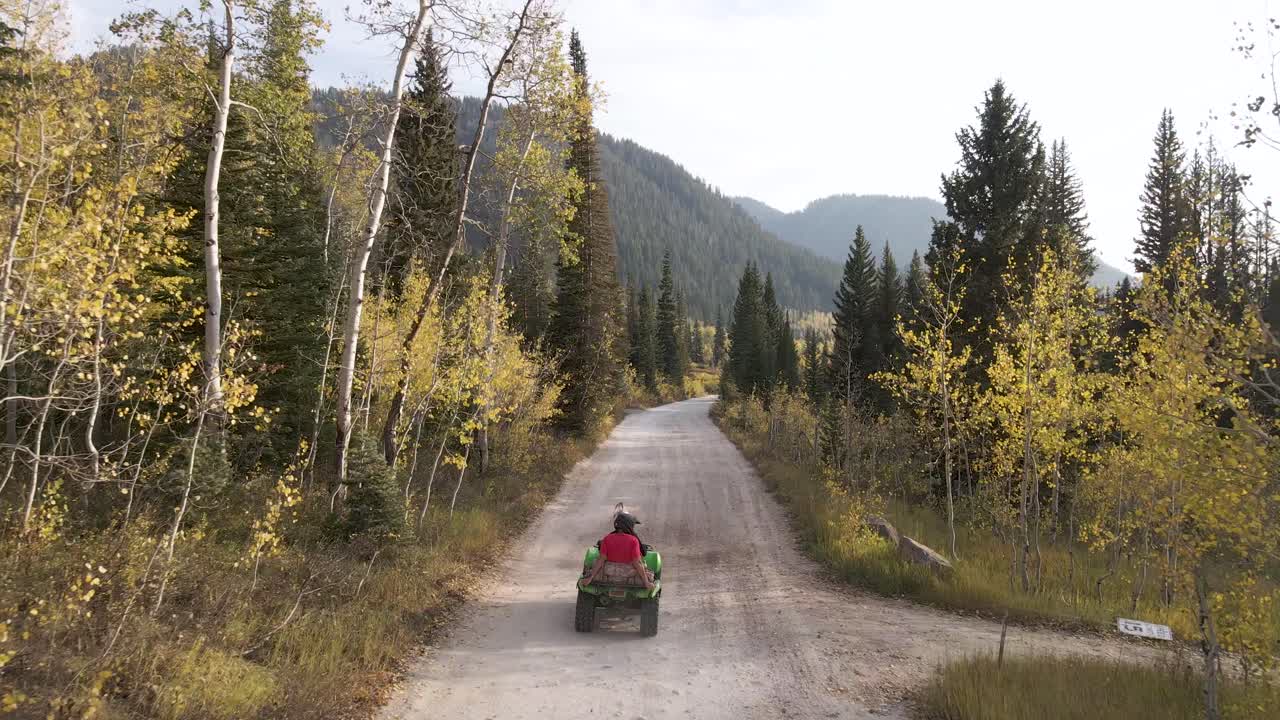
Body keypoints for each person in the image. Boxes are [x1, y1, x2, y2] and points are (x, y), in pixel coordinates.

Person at [579, 508, 654, 590]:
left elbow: (601, 559)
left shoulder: (607, 539)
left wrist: (590, 578)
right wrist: (646, 582)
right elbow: (637, 562)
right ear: (629, 525)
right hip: (628, 574)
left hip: (609, 574)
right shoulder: (633, 540)